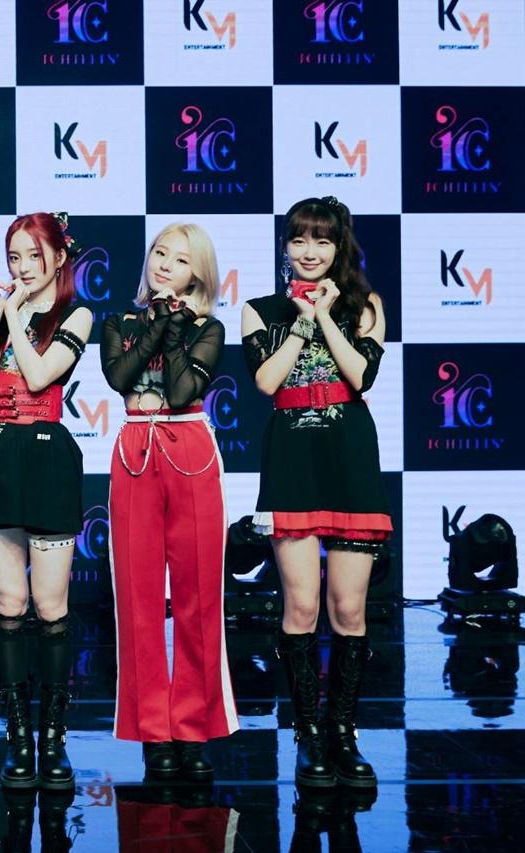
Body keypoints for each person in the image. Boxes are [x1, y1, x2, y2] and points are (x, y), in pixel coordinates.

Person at [241, 196, 389, 789]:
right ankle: (307, 735)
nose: (309, 252)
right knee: (301, 606)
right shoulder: (259, 310)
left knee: (348, 609)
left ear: (339, 247)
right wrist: (302, 320)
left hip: (349, 454)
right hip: (291, 457)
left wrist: (327, 314)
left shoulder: (366, 305)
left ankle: (343, 733)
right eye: (299, 240)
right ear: (285, 246)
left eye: (322, 241)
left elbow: (362, 375)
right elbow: (266, 381)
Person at [100, 223, 239, 782]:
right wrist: (157, 323)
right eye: (160, 252)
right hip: (135, 448)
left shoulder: (209, 328)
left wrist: (175, 326)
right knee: (137, 599)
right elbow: (121, 378)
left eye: (180, 260)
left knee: (198, 597)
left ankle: (193, 727)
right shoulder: (120, 322)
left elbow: (181, 392)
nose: (164, 264)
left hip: (190, 449)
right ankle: (152, 731)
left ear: (197, 274)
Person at [0, 212, 92, 790]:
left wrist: (13, 314)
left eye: (33, 256)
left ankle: (53, 736)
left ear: (59, 258)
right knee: (9, 602)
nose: (21, 267)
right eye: (13, 257)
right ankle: (18, 734)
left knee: (49, 603)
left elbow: (39, 376)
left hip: (47, 454)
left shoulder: (77, 314)